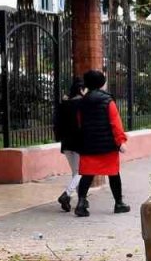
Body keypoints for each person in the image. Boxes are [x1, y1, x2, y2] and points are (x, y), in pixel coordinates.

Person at [74, 69, 128, 217]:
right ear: (102, 83)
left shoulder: (82, 102)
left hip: (88, 145)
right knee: (113, 174)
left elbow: (80, 123)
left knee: (87, 175)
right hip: (107, 146)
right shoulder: (108, 101)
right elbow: (115, 123)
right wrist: (121, 141)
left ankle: (81, 204)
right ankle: (119, 203)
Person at [53, 76, 84, 212]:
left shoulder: (64, 104)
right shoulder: (83, 104)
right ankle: (67, 194)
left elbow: (57, 123)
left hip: (66, 142)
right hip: (79, 142)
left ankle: (79, 199)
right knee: (81, 171)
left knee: (75, 172)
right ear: (81, 89)